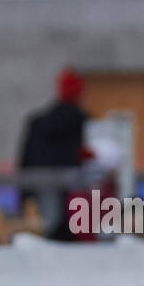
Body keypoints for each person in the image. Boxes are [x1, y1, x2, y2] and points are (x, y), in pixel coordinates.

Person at [18, 68, 89, 241]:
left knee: (46, 230)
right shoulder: (85, 123)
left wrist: (24, 196)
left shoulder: (38, 122)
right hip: (76, 196)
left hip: (42, 191)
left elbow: (25, 162)